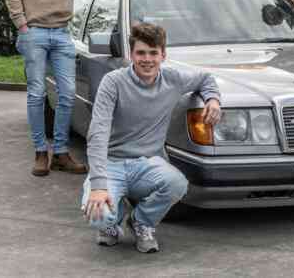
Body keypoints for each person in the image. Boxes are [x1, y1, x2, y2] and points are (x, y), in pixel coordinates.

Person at [3, 0, 140, 177]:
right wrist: (23, 26)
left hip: (63, 33)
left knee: (66, 94)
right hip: (35, 33)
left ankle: (62, 153)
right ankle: (41, 152)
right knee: (37, 94)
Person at [82, 23, 221, 253]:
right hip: (112, 163)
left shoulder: (173, 79)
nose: (147, 59)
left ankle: (141, 222)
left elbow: (205, 78)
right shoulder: (113, 82)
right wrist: (98, 185)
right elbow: (97, 134)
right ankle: (111, 223)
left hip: (149, 162)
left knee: (178, 184)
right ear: (132, 54)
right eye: (141, 53)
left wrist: (213, 100)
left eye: (153, 53)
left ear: (163, 55)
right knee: (99, 216)